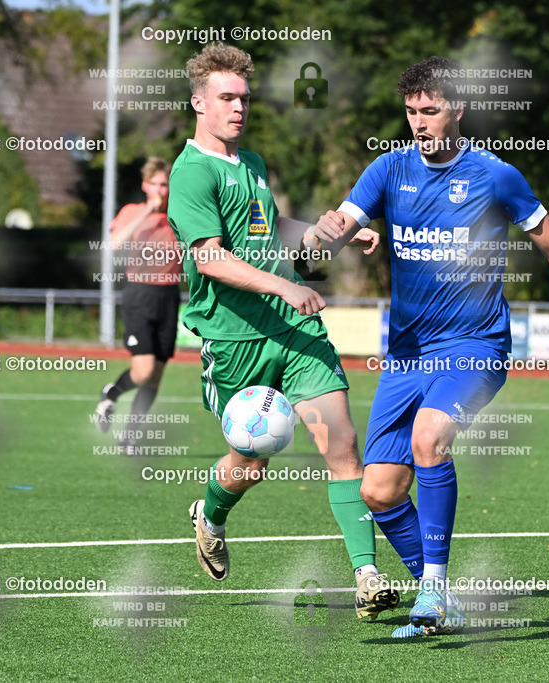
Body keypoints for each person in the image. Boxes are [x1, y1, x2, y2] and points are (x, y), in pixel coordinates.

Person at [310, 56, 549, 638]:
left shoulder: (496, 175)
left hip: (476, 345)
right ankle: (444, 598)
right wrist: (325, 234)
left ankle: (431, 588)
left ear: (458, 109)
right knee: (379, 490)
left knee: (429, 438)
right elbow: (339, 224)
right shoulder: (388, 170)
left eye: (430, 111)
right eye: (411, 112)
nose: (419, 122)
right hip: (407, 353)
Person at [166, 43, 398, 620]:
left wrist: (336, 233)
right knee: (251, 463)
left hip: (295, 333)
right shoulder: (191, 173)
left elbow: (271, 232)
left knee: (342, 443)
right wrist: (285, 286)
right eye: (226, 98)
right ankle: (211, 514)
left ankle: (367, 575)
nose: (238, 108)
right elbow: (211, 258)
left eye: (244, 98)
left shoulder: (254, 164)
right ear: (199, 103)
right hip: (236, 340)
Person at [94, 157, 183, 455]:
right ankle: (112, 393)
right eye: (155, 183)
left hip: (168, 296)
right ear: (145, 185)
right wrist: (147, 210)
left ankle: (129, 438)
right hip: (139, 294)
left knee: (155, 375)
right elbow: (114, 243)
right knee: (143, 371)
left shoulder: (179, 212)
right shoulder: (133, 211)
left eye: (165, 184)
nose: (160, 189)